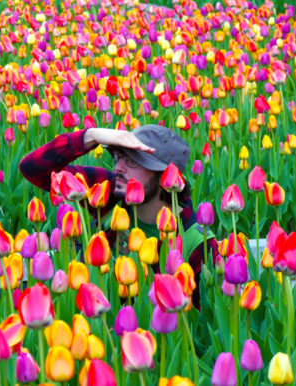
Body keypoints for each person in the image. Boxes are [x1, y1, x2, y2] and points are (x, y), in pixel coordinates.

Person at [19, 125, 218, 306]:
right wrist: (90, 136)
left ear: (164, 175)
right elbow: (33, 169)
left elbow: (201, 320)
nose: (117, 168)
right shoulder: (107, 195)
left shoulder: (197, 241)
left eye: (131, 162)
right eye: (118, 158)